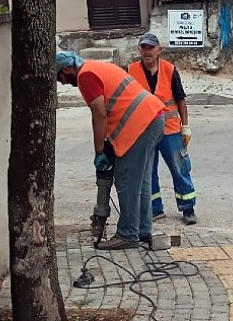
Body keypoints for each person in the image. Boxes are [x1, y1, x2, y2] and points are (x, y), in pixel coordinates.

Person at [56, 51, 165, 250]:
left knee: (126, 180)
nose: (62, 82)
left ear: (66, 69)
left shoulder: (85, 76)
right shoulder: (97, 66)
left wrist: (99, 151)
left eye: (59, 77)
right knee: (140, 181)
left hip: (140, 124)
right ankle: (142, 230)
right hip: (153, 118)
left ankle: (128, 234)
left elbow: (99, 114)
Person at [127, 32, 198, 225]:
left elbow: (180, 100)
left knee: (179, 168)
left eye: (151, 47)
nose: (147, 51)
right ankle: (155, 209)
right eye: (144, 47)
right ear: (139, 49)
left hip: (170, 130)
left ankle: (188, 207)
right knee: (147, 171)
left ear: (159, 50)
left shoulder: (169, 70)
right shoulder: (130, 71)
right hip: (144, 131)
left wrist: (186, 126)